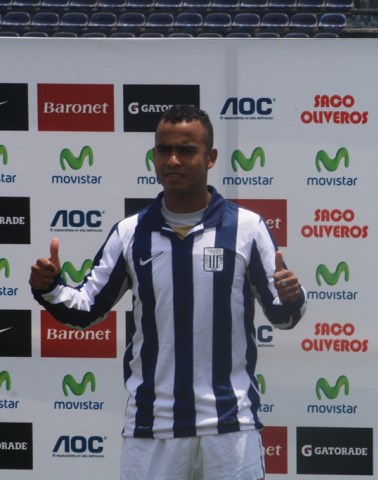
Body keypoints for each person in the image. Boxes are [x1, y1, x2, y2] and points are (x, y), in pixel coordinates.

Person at [29, 104, 306, 480]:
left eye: (186, 150)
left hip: (230, 427)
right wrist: (49, 288)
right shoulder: (130, 233)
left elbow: (283, 316)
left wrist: (291, 296)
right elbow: (87, 309)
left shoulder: (247, 228)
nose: (173, 160)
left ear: (210, 157)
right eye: (164, 150)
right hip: (152, 428)